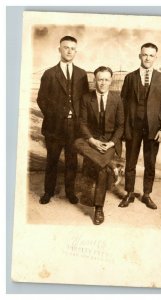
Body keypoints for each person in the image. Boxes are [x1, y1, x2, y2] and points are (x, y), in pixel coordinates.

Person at [37, 36, 89, 204]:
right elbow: (42, 99)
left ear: (76, 51)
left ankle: (70, 192)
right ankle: (48, 192)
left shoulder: (81, 74)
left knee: (72, 161)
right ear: (59, 49)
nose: (69, 51)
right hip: (54, 126)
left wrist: (79, 120)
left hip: (74, 127)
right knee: (52, 160)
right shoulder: (49, 73)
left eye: (72, 48)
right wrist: (56, 116)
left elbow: (85, 101)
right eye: (66, 47)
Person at [118, 43, 161, 209]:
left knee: (150, 163)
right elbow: (122, 105)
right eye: (145, 54)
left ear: (155, 57)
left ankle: (147, 194)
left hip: (153, 129)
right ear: (139, 55)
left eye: (151, 55)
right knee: (130, 163)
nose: (147, 58)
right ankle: (129, 193)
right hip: (133, 127)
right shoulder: (130, 78)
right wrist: (124, 129)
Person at [74, 66, 124, 225]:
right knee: (76, 142)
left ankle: (99, 209)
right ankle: (112, 166)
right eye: (100, 79)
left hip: (109, 142)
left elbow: (121, 126)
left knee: (101, 170)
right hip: (93, 141)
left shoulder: (117, 99)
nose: (102, 83)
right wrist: (92, 141)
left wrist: (110, 143)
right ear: (94, 80)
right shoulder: (86, 98)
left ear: (111, 81)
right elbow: (82, 123)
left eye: (106, 80)